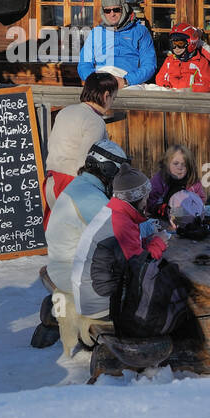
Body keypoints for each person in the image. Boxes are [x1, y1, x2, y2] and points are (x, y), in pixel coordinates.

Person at [71, 165, 171, 321]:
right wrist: (158, 242)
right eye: (145, 196)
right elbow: (141, 271)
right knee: (169, 296)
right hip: (100, 304)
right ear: (135, 198)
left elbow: (122, 251)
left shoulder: (114, 212)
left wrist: (146, 242)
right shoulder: (121, 223)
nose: (147, 201)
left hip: (89, 295)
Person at [44, 139, 127, 297]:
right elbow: (121, 233)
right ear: (108, 170)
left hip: (62, 268)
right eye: (118, 173)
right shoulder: (90, 197)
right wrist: (150, 227)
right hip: (71, 276)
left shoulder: (82, 185)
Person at [43, 72, 119, 212]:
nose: (111, 103)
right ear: (106, 95)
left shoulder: (65, 111)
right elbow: (86, 161)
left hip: (51, 182)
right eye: (113, 98)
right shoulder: (95, 121)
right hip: (72, 185)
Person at [77, 0, 157, 87]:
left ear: (124, 9)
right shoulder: (96, 32)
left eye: (116, 10)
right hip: (100, 78)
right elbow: (84, 63)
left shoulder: (139, 31)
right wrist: (94, 78)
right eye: (107, 11)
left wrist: (127, 80)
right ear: (103, 12)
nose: (112, 14)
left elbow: (149, 65)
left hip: (128, 80)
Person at [147, 143, 207, 218]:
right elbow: (150, 202)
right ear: (166, 164)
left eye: (184, 164)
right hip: (162, 218)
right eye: (176, 163)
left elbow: (200, 200)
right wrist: (166, 210)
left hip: (188, 219)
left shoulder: (193, 182)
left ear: (189, 167)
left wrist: (193, 210)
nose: (180, 167)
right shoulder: (159, 180)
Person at [154, 23, 210, 92]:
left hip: (190, 98)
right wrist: (166, 87)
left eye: (180, 44)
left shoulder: (200, 62)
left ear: (190, 43)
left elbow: (207, 84)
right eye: (173, 44)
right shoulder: (170, 60)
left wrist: (191, 90)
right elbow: (160, 77)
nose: (176, 48)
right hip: (170, 95)